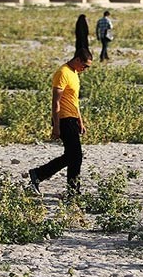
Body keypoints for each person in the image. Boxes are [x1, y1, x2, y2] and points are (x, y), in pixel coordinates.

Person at [26, 48, 93, 200]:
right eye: (85, 65)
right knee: (75, 156)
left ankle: (40, 175)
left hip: (72, 119)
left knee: (73, 156)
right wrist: (56, 126)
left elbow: (74, 101)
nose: (85, 69)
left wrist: (80, 121)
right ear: (77, 60)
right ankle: (71, 191)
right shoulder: (62, 73)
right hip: (63, 119)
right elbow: (55, 102)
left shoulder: (75, 73)